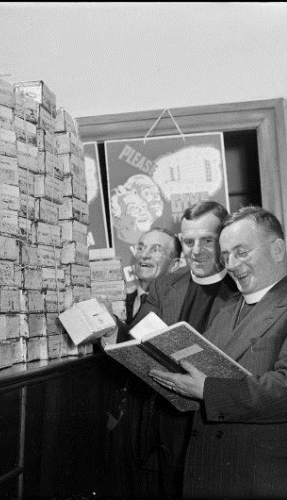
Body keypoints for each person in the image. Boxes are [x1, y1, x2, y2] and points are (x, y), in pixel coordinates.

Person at [149, 206, 287, 499]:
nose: (232, 264)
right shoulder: (228, 309)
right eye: (226, 255)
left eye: (241, 252)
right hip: (215, 476)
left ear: (277, 249)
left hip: (272, 480)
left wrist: (206, 389)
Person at [103, 200, 239, 499]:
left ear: (225, 240)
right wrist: (113, 331)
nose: (197, 250)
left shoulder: (241, 287)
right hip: (169, 421)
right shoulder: (165, 285)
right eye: (189, 242)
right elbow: (135, 338)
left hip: (218, 422)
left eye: (208, 240)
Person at [124, 227, 182, 324]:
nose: (144, 255)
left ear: (174, 265)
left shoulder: (182, 306)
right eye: (140, 248)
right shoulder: (120, 303)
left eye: (156, 250)